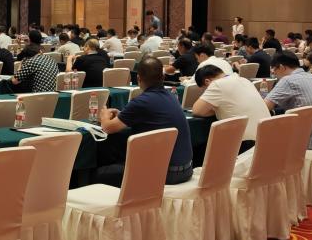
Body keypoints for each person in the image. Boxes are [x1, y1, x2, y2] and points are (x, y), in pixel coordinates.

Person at [97, 57, 193, 186]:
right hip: (186, 169)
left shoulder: (142, 102)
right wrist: (123, 116)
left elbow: (107, 128)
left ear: (138, 78)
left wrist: (104, 114)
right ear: (163, 77)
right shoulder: (171, 96)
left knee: (100, 174)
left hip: (164, 173)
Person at [264, 51, 312, 149]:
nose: (273, 72)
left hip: (304, 145)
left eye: (274, 69)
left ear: (282, 67)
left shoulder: (288, 80)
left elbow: (264, 107)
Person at [192, 64, 270, 145]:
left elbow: (197, 111)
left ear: (207, 81)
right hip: (268, 138)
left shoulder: (217, 84)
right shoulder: (244, 80)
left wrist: (217, 110)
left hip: (247, 143)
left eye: (205, 90)